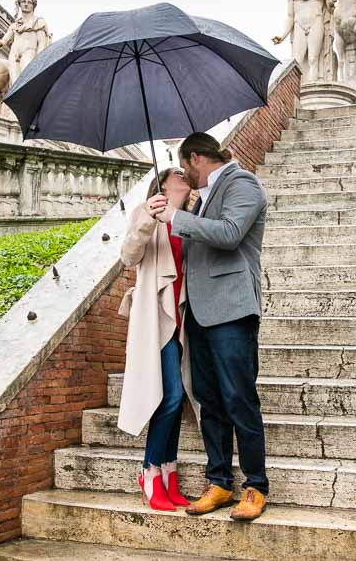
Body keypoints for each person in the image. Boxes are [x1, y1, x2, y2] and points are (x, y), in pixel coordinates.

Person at [148, 132, 270, 522]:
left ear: (197, 157)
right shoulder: (204, 199)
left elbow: (231, 234)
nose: (186, 173)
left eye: (185, 165)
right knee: (209, 401)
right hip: (198, 314)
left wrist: (177, 217)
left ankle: (255, 486)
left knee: (239, 398)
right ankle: (218, 481)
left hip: (232, 311)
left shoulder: (243, 184)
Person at [117, 168, 199, 511]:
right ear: (165, 184)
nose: (186, 179)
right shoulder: (145, 213)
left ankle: (169, 473)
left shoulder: (187, 217)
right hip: (156, 315)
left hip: (183, 317)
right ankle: (149, 471)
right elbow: (128, 256)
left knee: (179, 399)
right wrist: (149, 220)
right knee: (171, 394)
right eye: (179, 176)